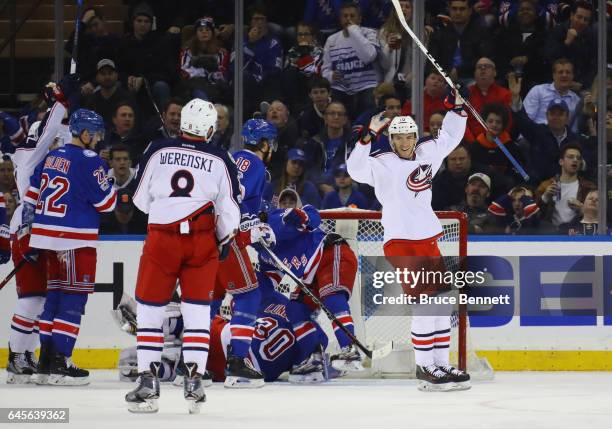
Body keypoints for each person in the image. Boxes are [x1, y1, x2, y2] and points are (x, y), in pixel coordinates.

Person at [347, 90, 471, 391]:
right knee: (424, 304)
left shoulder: (427, 152)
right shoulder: (381, 162)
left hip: (428, 236)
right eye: (398, 138)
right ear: (391, 140)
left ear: (415, 137)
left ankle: (442, 363)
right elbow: (355, 169)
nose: (405, 143)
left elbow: (450, 139)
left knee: (441, 302)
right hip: (400, 241)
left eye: (409, 137)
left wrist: (456, 108)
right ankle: (425, 366)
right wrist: (366, 137)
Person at [126, 99, 240, 413]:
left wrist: (166, 212)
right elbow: (230, 209)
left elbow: (139, 200)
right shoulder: (220, 158)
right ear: (209, 126)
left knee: (150, 312)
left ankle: (147, 381)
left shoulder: (157, 150)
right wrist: (224, 238)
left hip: (162, 240)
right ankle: (194, 378)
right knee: (197, 314)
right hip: (202, 243)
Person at [20, 105, 116, 386]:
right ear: (84, 134)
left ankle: (45, 363)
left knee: (54, 300)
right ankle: (61, 362)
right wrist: (108, 180)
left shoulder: (51, 156)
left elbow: (31, 195)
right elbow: (107, 204)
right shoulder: (90, 160)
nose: (98, 139)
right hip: (74, 239)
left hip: (47, 239)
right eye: (95, 134)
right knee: (72, 303)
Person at [5, 78, 79, 384]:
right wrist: (61, 101)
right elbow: (49, 128)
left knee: (42, 298)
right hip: (28, 229)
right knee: (34, 297)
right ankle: (17, 357)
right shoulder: (28, 156)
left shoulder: (42, 157)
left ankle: (24, 355)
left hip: (41, 231)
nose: (56, 143)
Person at [258, 188, 362, 381]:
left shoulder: (278, 219)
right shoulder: (264, 253)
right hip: (310, 276)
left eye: (291, 201)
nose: (287, 204)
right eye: (284, 201)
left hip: (330, 253)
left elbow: (313, 217)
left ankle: (350, 349)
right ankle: (313, 358)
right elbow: (266, 287)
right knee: (295, 308)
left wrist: (298, 215)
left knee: (332, 297)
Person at [213, 118, 277, 389]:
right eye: (270, 143)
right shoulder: (253, 163)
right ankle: (238, 361)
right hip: (228, 237)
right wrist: (251, 230)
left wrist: (255, 223)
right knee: (249, 295)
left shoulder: (231, 158)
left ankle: (188, 362)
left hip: (209, 237)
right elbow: (234, 200)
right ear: (263, 144)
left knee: (210, 301)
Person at [321, 2, 380, 119]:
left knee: (368, 104)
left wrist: (353, 30)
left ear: (360, 18)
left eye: (352, 16)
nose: (348, 19)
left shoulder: (370, 33)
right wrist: (331, 75)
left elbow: (369, 56)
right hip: (341, 87)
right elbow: (325, 70)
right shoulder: (331, 40)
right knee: (334, 109)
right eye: (345, 16)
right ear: (340, 18)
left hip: (366, 85)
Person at [535, 143, 595, 232]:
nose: (575, 160)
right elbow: (533, 215)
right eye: (570, 157)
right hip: (551, 234)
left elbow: (600, 216)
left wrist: (583, 209)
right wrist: (545, 197)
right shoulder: (546, 185)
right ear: (561, 162)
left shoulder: (589, 187)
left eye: (578, 158)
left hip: (578, 233)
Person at [178, 17, 230, 103]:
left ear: (212, 33)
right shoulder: (187, 51)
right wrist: (202, 72)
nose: (204, 32)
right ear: (196, 33)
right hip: (194, 85)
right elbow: (184, 71)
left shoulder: (221, 53)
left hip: (214, 87)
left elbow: (221, 73)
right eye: (200, 30)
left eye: (207, 30)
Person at [523, 58, 581, 132]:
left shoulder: (577, 100)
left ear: (572, 76)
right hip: (536, 136)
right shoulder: (538, 91)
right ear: (553, 75)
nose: (564, 75)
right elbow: (526, 119)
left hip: (562, 140)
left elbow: (574, 130)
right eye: (560, 72)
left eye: (568, 72)